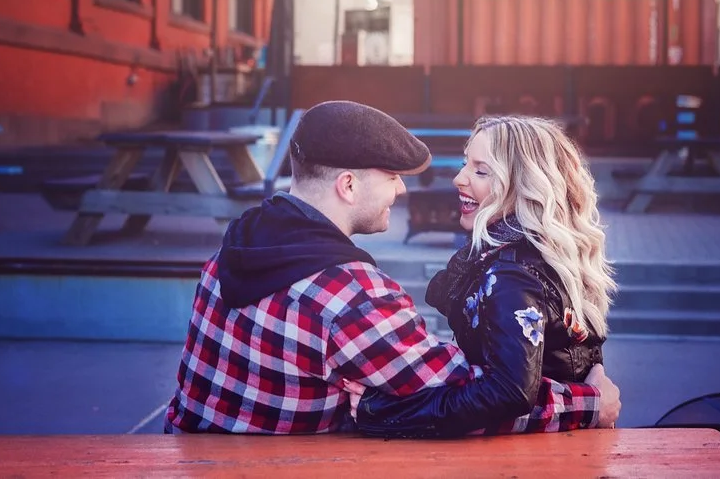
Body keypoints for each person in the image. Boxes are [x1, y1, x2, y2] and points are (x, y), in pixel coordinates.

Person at [165, 101, 620, 435]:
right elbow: (479, 397)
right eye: (391, 177)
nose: (401, 192)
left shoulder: (234, 248)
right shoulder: (351, 296)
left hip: (191, 454)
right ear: (347, 185)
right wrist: (590, 405)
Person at [356, 115, 618, 436]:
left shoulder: (514, 272)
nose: (459, 179)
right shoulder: (519, 252)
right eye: (466, 164)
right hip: (557, 440)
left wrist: (387, 412)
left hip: (538, 454)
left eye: (480, 171)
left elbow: (508, 392)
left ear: (524, 185)